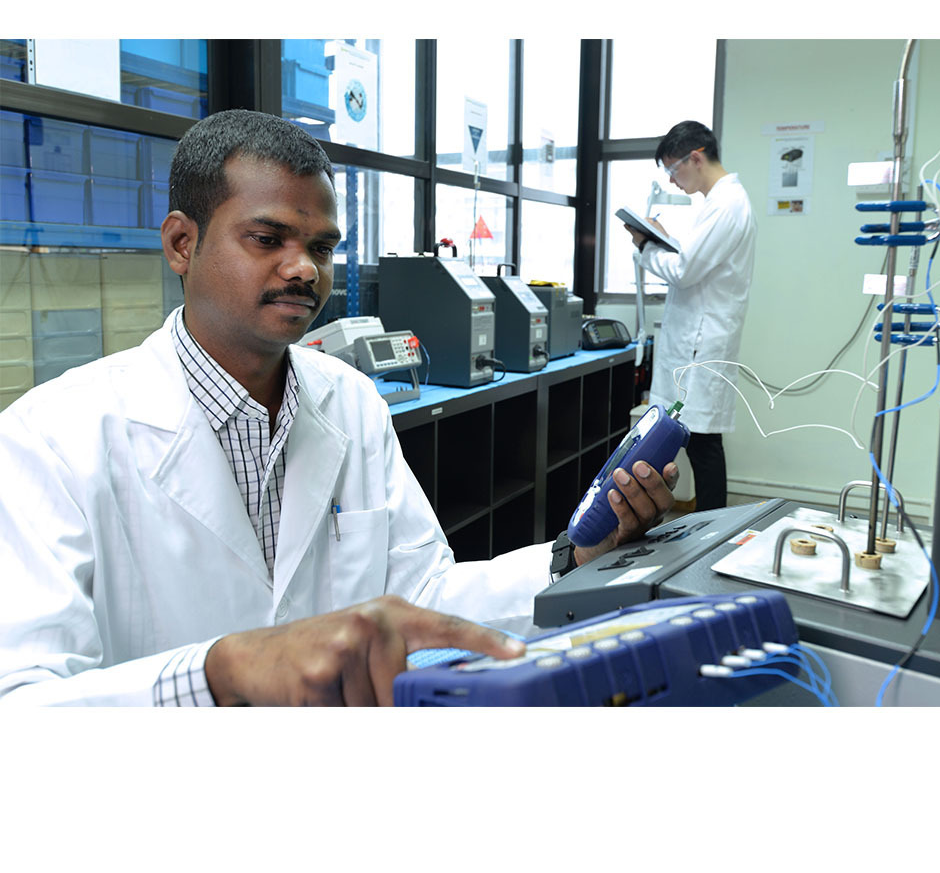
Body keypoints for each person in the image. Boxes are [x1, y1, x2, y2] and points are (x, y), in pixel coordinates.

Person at [0, 109, 677, 707]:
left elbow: (419, 599)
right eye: (268, 239)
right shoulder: (51, 438)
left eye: (322, 248)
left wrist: (571, 559)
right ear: (182, 243)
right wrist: (221, 672)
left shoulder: (349, 400)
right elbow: (23, 701)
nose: (304, 269)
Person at [623, 120, 756, 513]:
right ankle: (702, 524)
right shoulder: (719, 203)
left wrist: (646, 246)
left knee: (703, 444)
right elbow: (694, 261)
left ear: (695, 158)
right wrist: (663, 241)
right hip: (697, 339)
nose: (672, 180)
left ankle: (711, 528)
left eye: (672, 169)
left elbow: (684, 270)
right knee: (694, 440)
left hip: (702, 343)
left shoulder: (727, 204)